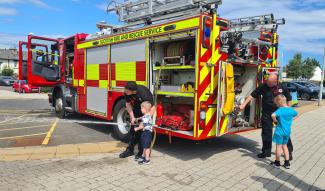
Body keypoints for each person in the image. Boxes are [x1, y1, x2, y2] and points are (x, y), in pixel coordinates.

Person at [239, 74, 294, 159]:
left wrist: (288, 112)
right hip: (267, 113)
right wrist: (243, 104)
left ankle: (289, 151)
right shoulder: (264, 86)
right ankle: (266, 152)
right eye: (267, 81)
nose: (267, 83)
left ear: (275, 82)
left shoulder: (283, 87)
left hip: (280, 113)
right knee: (266, 132)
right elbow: (252, 95)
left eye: (270, 82)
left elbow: (289, 99)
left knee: (283, 131)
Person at [119, 82, 155, 160]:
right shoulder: (127, 93)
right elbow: (128, 104)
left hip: (146, 113)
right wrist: (132, 117)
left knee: (143, 134)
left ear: (133, 91)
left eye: (127, 90)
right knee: (133, 132)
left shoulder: (144, 94)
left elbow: (152, 108)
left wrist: (144, 120)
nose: (125, 91)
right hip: (136, 111)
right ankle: (130, 150)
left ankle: (142, 153)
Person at [270, 95, 298, 169]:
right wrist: (291, 120)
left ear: (279, 103)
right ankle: (287, 163)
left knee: (278, 147)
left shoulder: (280, 110)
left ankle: (277, 163)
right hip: (287, 132)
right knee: (285, 146)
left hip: (279, 131)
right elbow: (296, 114)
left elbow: (273, 115)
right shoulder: (290, 110)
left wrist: (275, 121)